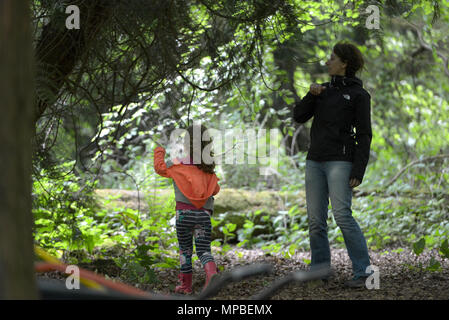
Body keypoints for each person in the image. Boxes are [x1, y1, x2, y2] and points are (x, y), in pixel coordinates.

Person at [293, 41, 373, 288]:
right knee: (316, 221)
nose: (327, 61)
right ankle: (319, 270)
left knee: (342, 216)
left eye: (332, 58)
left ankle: (364, 272)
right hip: (315, 161)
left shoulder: (360, 95)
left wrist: (358, 170)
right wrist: (310, 94)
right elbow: (299, 116)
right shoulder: (322, 91)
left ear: (344, 63)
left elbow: (364, 135)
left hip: (341, 161)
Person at [153, 124, 220, 294]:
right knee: (204, 250)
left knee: (185, 250)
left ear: (187, 144)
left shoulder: (178, 164)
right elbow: (215, 190)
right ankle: (211, 273)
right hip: (203, 217)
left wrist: (159, 150)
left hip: (184, 216)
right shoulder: (207, 168)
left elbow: (159, 168)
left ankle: (185, 286)